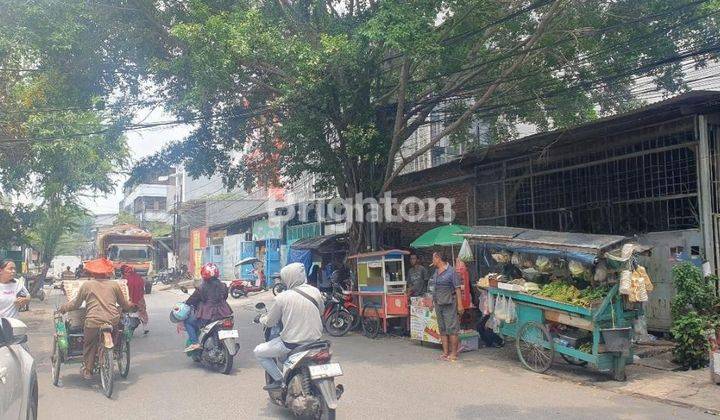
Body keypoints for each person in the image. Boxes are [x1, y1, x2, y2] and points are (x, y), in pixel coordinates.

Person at [254, 262, 323, 390]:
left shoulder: (282, 297)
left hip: (292, 344)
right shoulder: (315, 292)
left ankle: (280, 380)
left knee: (259, 352)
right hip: (316, 342)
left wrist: (261, 319)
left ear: (287, 277)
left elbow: (270, 322)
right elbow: (321, 312)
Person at [59, 275, 135, 379]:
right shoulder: (114, 285)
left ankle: (88, 370)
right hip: (112, 320)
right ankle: (113, 351)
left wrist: (64, 308)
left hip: (93, 321)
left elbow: (76, 304)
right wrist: (131, 306)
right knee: (117, 332)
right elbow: (124, 304)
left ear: (93, 273)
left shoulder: (87, 285)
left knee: (89, 343)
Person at [183, 263, 233, 352]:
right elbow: (224, 298)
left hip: (209, 316)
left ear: (204, 274)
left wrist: (187, 303)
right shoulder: (223, 285)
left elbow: (192, 300)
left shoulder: (201, 287)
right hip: (225, 314)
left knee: (188, 322)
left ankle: (195, 343)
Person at [430, 252, 463, 362]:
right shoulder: (436, 272)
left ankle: (454, 353)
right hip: (438, 303)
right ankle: (445, 352)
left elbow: (457, 288)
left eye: (433, 258)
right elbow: (434, 288)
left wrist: (460, 305)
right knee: (442, 329)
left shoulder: (451, 271)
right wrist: (431, 301)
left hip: (449, 303)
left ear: (438, 258)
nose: (432, 261)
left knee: (452, 329)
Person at [121, 265, 149, 335]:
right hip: (139, 299)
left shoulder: (124, 279)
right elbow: (143, 288)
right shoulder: (139, 278)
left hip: (128, 299)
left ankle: (126, 329)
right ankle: (145, 328)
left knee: (125, 313)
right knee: (142, 311)